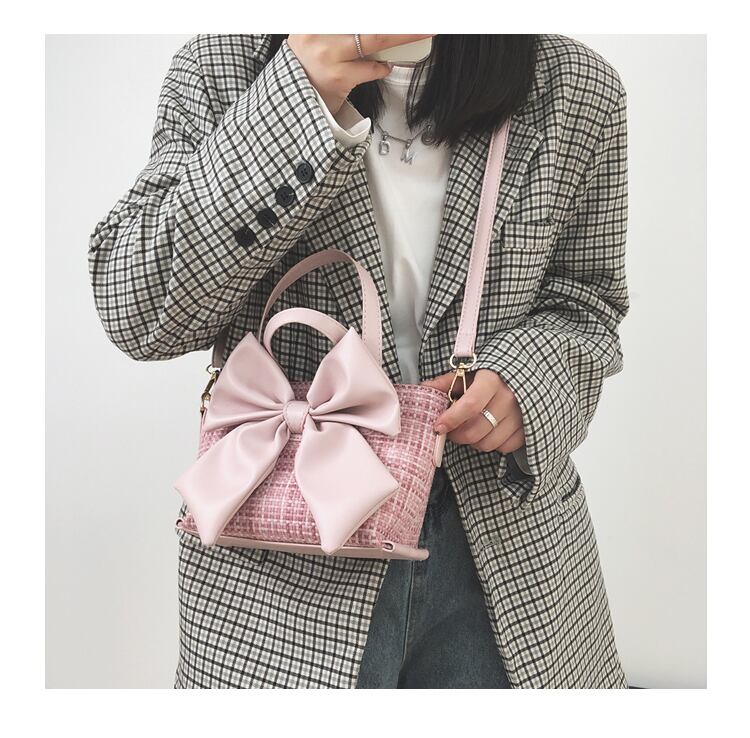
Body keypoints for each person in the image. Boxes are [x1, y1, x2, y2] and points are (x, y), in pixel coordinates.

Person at [88, 33, 629, 689]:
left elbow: (585, 298)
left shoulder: (575, 86)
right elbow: (137, 309)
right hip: (275, 571)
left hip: (508, 557)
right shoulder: (223, 66)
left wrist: (529, 381)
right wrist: (294, 100)